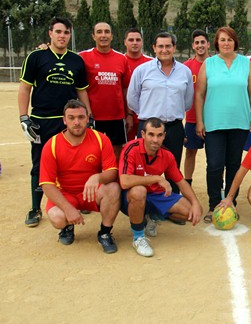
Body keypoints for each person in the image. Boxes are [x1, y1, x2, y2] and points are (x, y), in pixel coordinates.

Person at [18, 17, 92, 227]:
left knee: (73, 162)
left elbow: (81, 91)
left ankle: (78, 201)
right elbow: (25, 88)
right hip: (42, 121)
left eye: (66, 32)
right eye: (58, 32)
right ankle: (35, 208)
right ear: (50, 33)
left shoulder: (76, 60)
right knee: (40, 165)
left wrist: (89, 116)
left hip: (69, 122)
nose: (62, 36)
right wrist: (24, 117)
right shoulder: (36, 57)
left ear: (70, 35)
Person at [194, 27, 251, 224]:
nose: (226, 43)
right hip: (214, 123)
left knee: (233, 165)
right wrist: (199, 120)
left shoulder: (245, 63)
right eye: (222, 40)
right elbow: (199, 93)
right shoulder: (209, 63)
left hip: (239, 123)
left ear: (235, 42)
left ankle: (230, 202)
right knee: (214, 165)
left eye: (230, 39)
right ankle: (214, 204)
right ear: (216, 43)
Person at [39, 100, 120, 253]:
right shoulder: (52, 145)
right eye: (71, 118)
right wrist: (68, 208)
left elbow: (112, 172)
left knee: (113, 188)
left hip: (91, 193)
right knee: (57, 216)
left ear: (88, 118)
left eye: (81, 117)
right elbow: (47, 184)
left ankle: (105, 233)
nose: (77, 122)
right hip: (66, 193)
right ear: (64, 120)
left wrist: (97, 177)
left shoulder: (100, 139)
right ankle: (67, 227)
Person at [119, 118, 203, 257]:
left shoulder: (166, 154)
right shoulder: (131, 148)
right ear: (143, 134)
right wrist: (156, 178)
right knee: (139, 191)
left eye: (159, 135)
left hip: (155, 195)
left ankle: (152, 215)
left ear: (164, 136)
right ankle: (138, 237)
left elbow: (181, 181)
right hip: (130, 197)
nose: (155, 140)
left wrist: (195, 203)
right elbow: (124, 182)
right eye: (151, 134)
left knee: (192, 212)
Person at [127, 32, 193, 176]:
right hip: (148, 128)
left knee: (173, 171)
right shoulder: (142, 70)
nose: (164, 50)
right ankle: (144, 199)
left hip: (174, 128)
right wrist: (148, 115)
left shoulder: (185, 72)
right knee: (144, 171)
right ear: (154, 48)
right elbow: (132, 98)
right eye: (160, 46)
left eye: (168, 46)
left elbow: (187, 102)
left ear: (174, 47)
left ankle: (173, 198)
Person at [80, 22, 132, 160]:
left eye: (107, 32)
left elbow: (126, 89)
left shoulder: (121, 59)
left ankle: (115, 180)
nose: (103, 35)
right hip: (93, 117)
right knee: (92, 151)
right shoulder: (83, 57)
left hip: (116, 117)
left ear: (112, 36)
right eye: (99, 32)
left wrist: (129, 114)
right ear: (93, 36)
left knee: (117, 151)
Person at [183, 29, 210, 186]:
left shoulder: (216, 64)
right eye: (197, 43)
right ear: (193, 46)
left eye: (203, 42)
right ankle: (187, 184)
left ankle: (216, 187)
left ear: (208, 44)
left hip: (213, 119)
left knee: (214, 156)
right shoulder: (186, 67)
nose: (200, 45)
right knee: (190, 152)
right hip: (193, 118)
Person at [123, 28, 153, 141]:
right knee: (126, 149)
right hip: (125, 116)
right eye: (131, 40)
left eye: (138, 40)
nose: (135, 42)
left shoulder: (152, 63)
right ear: (125, 42)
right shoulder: (120, 61)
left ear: (142, 42)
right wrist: (128, 114)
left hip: (147, 116)